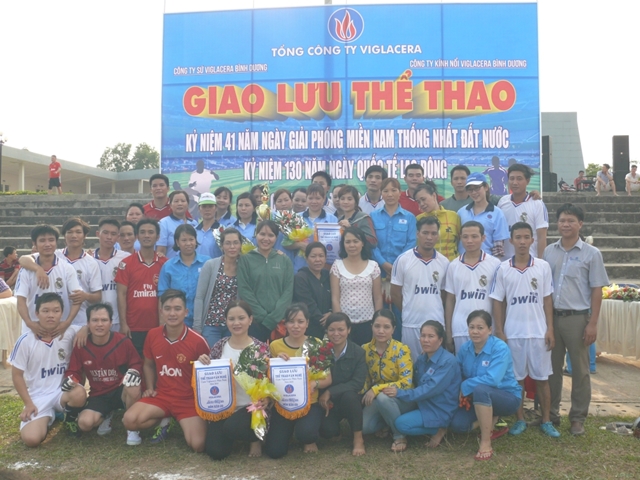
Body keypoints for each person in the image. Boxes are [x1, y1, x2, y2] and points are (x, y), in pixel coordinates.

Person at [543, 203, 609, 436]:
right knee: (551, 369)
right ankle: (549, 415)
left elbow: (596, 290)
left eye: (571, 220)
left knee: (580, 370)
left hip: (578, 319)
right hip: (552, 318)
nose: (566, 224)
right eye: (562, 220)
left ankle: (577, 418)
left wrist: (592, 323)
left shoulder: (592, 254)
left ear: (580, 224)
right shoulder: (549, 251)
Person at [490, 222, 559, 438]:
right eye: (517, 237)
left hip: (538, 333)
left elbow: (547, 299)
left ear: (532, 240)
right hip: (514, 334)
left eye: (526, 237)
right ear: (511, 240)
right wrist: (500, 331)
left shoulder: (542, 266)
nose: (522, 241)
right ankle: (519, 419)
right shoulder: (502, 268)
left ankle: (546, 420)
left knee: (542, 379)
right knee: (517, 380)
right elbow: (498, 302)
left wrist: (550, 329)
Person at [122, 290, 209, 451]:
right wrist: (150, 388)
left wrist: (205, 363)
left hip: (187, 400)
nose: (172, 313)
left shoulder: (198, 341)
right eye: (167, 308)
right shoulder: (153, 335)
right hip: (162, 396)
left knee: (198, 445)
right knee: (129, 420)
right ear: (161, 311)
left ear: (186, 312)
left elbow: (209, 374)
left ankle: (180, 421)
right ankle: (164, 419)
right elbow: (148, 364)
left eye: (177, 308)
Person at [61, 303, 143, 444]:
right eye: (95, 320)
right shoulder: (82, 344)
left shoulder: (123, 342)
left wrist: (134, 372)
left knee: (134, 385)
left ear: (111, 323)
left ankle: (132, 429)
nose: (99, 324)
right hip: (99, 394)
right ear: (88, 323)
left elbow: (136, 364)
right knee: (85, 424)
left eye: (104, 320)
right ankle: (106, 414)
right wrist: (70, 380)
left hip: (120, 391)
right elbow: (74, 371)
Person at [10, 293, 84, 447]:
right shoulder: (25, 340)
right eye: (45, 311)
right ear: (37, 313)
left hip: (62, 392)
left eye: (56, 311)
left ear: (62, 313)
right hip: (39, 397)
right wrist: (28, 403)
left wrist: (85, 329)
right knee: (31, 439)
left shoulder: (70, 331)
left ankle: (68, 418)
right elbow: (17, 376)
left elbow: (92, 326)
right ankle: (50, 415)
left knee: (79, 393)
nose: (51, 315)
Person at [199, 300, 270, 459]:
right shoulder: (220, 346)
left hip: (252, 408)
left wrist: (267, 398)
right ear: (226, 321)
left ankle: (255, 439)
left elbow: (270, 379)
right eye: (231, 319)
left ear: (250, 320)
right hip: (224, 407)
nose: (236, 323)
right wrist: (203, 363)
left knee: (232, 427)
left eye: (241, 318)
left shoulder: (260, 348)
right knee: (216, 453)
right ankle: (232, 435)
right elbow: (209, 377)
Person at [450, 310, 521, 461]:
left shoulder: (499, 348)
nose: (475, 331)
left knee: (481, 389)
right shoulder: (465, 348)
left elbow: (493, 380)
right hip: (477, 398)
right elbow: (457, 372)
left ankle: (485, 442)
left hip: (506, 397)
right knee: (458, 425)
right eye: (471, 327)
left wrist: (466, 385)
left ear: (489, 329)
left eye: (480, 327)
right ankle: (491, 419)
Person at [265, 303, 333, 457]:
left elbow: (328, 379)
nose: (296, 326)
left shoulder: (317, 344)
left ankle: (307, 436)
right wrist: (275, 363)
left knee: (306, 435)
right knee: (275, 452)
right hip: (283, 403)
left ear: (307, 323)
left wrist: (313, 384)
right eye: (291, 321)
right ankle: (287, 432)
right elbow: (266, 379)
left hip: (310, 403)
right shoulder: (275, 346)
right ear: (285, 324)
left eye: (300, 321)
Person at [19, 218, 102, 328]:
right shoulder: (53, 254)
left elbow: (97, 296)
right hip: (37, 324)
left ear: (84, 235)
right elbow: (23, 259)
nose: (74, 236)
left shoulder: (86, 263)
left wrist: (84, 296)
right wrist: (38, 269)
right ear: (64, 236)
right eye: (70, 232)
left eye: (78, 232)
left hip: (72, 322)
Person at [393, 320, 461, 448]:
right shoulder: (422, 358)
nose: (425, 340)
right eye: (423, 336)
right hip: (421, 404)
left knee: (401, 424)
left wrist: (399, 393)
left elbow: (429, 389)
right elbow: (412, 379)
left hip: (439, 409)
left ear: (440, 340)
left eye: (431, 336)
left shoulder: (448, 362)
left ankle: (439, 429)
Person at [391, 217, 449, 360]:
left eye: (434, 233)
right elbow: (395, 293)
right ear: (417, 234)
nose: (429, 237)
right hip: (411, 323)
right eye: (425, 233)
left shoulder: (444, 262)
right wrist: (408, 309)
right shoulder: (403, 259)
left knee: (435, 365)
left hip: (436, 323)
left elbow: (444, 295)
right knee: (412, 364)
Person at [444, 221, 501, 353]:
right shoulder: (453, 265)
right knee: (463, 370)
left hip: (486, 328)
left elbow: (499, 300)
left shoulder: (495, 264)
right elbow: (450, 300)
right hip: (460, 328)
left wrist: (498, 328)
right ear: (460, 238)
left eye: (474, 236)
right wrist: (449, 332)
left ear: (483, 238)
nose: (469, 241)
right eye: (465, 237)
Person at [361, 310, 413, 452]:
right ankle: (387, 423)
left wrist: (376, 389)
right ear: (371, 326)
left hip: (402, 398)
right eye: (377, 326)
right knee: (364, 427)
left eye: (386, 327)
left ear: (393, 329)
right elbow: (365, 379)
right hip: (377, 399)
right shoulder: (365, 350)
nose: (381, 331)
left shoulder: (402, 349)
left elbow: (406, 382)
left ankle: (399, 436)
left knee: (383, 397)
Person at [15, 225, 82, 336]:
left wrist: (66, 323)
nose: (47, 244)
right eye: (42, 240)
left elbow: (77, 299)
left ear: (56, 242)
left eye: (51, 240)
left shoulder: (67, 268)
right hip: (33, 329)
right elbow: (21, 300)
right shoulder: (26, 270)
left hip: (60, 329)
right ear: (34, 244)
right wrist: (30, 323)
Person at [371, 177, 417, 341]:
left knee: (400, 313)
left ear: (400, 192)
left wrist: (396, 267)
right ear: (381, 194)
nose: (390, 194)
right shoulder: (372, 216)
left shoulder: (410, 217)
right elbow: (371, 244)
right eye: (386, 191)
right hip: (379, 274)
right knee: (380, 315)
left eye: (394, 190)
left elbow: (412, 243)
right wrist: (384, 264)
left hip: (402, 274)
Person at [115, 218, 167, 356]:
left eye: (151, 232)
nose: (147, 235)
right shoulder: (126, 263)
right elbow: (121, 294)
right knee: (134, 366)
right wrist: (123, 324)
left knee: (155, 365)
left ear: (157, 237)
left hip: (157, 326)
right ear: (137, 236)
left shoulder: (165, 263)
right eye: (143, 232)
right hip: (133, 326)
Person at [319, 312, 367, 456]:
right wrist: (324, 394)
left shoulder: (358, 352)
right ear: (326, 331)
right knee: (327, 432)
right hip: (329, 403)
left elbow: (357, 383)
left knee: (350, 397)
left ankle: (358, 439)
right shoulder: (321, 352)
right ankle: (337, 430)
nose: (336, 334)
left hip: (350, 399)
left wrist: (330, 392)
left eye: (341, 329)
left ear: (349, 330)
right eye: (332, 330)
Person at [237, 220, 294, 342]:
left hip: (279, 323)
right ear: (256, 235)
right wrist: (262, 316)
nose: (266, 238)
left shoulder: (284, 260)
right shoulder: (246, 260)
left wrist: (274, 318)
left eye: (271, 235)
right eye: (262, 234)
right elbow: (245, 290)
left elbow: (288, 292)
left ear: (276, 238)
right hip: (255, 323)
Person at [330, 227, 382, 345]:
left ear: (362, 243)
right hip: (345, 326)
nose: (352, 245)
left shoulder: (373, 266)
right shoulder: (337, 266)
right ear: (343, 245)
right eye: (348, 242)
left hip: (368, 323)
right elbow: (335, 298)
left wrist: (377, 324)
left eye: (355, 241)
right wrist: (340, 324)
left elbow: (378, 298)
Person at [193, 228, 242, 346]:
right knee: (213, 361)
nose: (232, 247)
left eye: (235, 242)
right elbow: (199, 297)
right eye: (228, 243)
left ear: (241, 245)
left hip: (235, 324)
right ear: (222, 246)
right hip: (211, 324)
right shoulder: (211, 265)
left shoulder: (244, 266)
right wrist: (197, 327)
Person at [158, 224, 209, 329]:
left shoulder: (207, 262)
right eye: (184, 240)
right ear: (177, 242)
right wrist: (162, 321)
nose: (188, 243)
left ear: (196, 240)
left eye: (191, 239)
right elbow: (162, 296)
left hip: (204, 319)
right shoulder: (168, 266)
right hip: (177, 321)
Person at [497, 164, 549, 259]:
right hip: (506, 262)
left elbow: (542, 237)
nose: (515, 182)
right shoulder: (502, 202)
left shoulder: (537, 204)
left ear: (527, 181)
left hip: (530, 261)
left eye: (519, 179)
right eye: (512, 178)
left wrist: (541, 262)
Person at [457, 173, 509, 257]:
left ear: (486, 187)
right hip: (463, 263)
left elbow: (498, 248)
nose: (474, 192)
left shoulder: (497, 213)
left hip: (487, 263)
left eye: (477, 188)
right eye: (470, 190)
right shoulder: (461, 212)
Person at [93, 218, 130, 331]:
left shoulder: (126, 258)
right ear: (98, 234)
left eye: (113, 234)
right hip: (94, 318)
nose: (109, 237)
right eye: (105, 233)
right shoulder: (88, 259)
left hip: (118, 319)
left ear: (118, 237)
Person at [293, 242, 332, 339]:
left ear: (325, 258)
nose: (317, 260)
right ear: (306, 259)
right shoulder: (301, 278)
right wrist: (326, 324)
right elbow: (308, 304)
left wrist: (332, 314)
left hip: (330, 326)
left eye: (321, 256)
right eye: (313, 256)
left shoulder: (329, 275)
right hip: (310, 328)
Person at [415, 183, 461, 260]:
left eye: (423, 199)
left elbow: (460, 241)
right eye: (418, 202)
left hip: (451, 266)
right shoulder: (418, 219)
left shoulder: (453, 216)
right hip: (428, 265)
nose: (421, 204)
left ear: (434, 196)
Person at [157, 191, 198, 260]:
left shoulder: (194, 223)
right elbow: (160, 251)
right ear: (170, 205)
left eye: (183, 201)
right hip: (171, 267)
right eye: (176, 201)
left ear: (187, 204)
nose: (180, 204)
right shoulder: (163, 223)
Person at [195, 192, 222, 259]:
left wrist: (220, 269)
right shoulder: (193, 231)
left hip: (215, 268)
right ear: (199, 209)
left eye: (210, 206)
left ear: (216, 208)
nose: (207, 209)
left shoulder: (222, 230)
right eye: (204, 206)